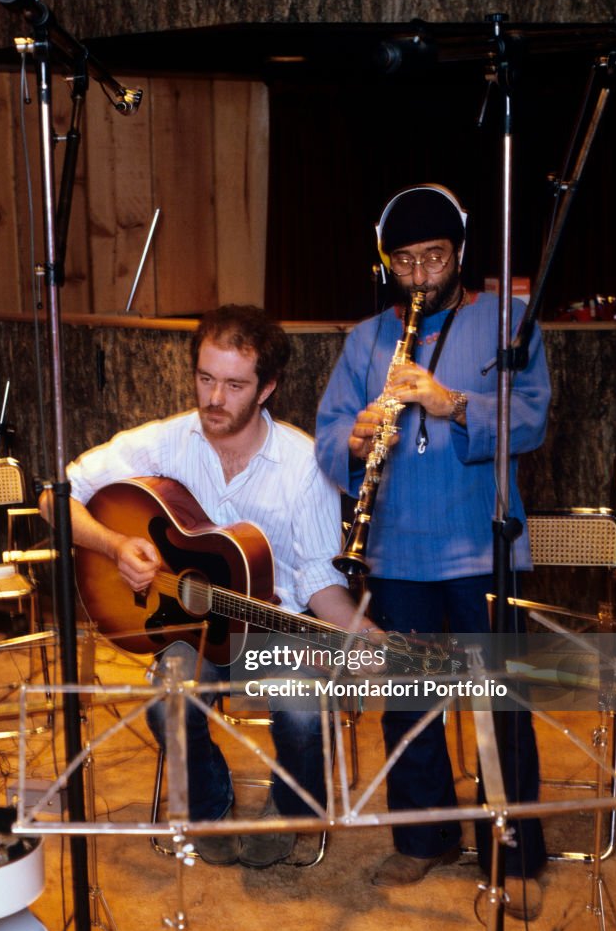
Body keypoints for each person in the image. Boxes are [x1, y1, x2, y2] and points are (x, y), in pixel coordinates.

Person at [42, 304, 378, 868]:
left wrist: (360, 631)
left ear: (266, 387)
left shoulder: (301, 464)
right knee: (167, 696)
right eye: (205, 378)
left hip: (278, 628)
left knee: (300, 709)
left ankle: (293, 810)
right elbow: (56, 497)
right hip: (187, 626)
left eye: (234, 384)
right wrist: (114, 545)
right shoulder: (165, 441)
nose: (214, 399)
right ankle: (209, 805)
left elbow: (319, 579)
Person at [315, 184, 551, 919]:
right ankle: (423, 840)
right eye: (405, 262)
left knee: (500, 706)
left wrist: (448, 403)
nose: (419, 275)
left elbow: (536, 418)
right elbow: (327, 438)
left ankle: (513, 852)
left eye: (434, 258)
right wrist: (355, 438)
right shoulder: (365, 339)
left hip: (482, 546)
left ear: (460, 254)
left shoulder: (508, 321)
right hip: (395, 550)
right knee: (409, 706)